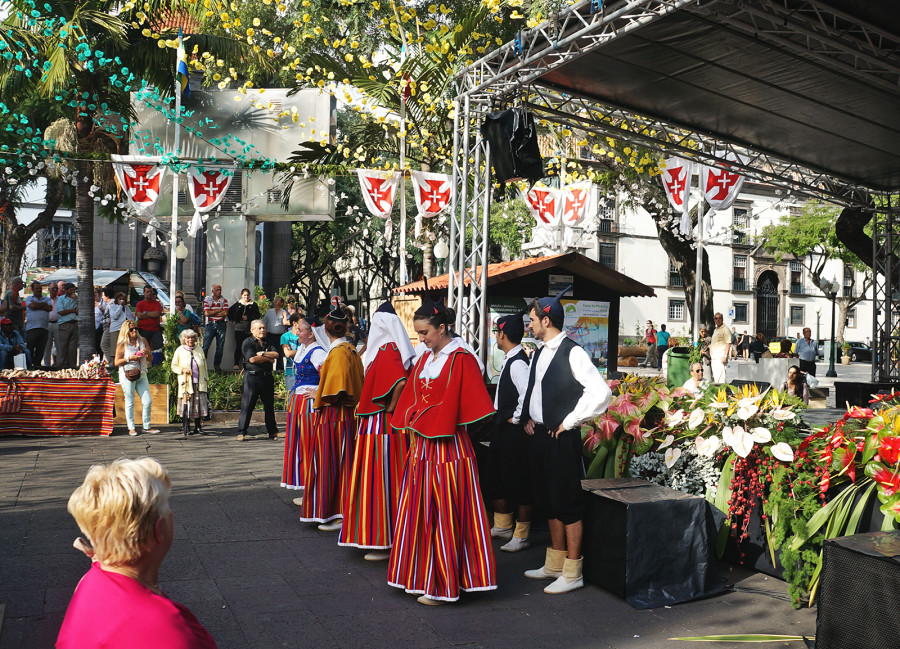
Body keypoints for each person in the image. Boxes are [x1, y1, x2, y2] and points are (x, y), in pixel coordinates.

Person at [388, 295, 497, 606]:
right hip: (423, 445)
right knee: (421, 511)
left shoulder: (462, 358)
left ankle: (445, 582)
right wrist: (410, 417)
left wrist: (424, 418)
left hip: (449, 448)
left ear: (442, 328)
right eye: (419, 333)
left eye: (425, 333)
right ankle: (421, 576)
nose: (421, 340)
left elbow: (460, 405)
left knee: (446, 512)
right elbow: (412, 396)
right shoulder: (426, 358)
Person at [56, 458, 217, 649]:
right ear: (158, 530)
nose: (172, 514)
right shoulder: (165, 629)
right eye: (168, 508)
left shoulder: (90, 579)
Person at [522, 287, 612, 595]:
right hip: (541, 437)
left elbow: (601, 392)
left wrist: (570, 421)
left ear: (546, 320)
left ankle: (573, 571)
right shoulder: (538, 352)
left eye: (531, 319)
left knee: (568, 504)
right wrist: (529, 417)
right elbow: (535, 391)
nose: (528, 325)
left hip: (561, 439)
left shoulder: (572, 351)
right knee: (548, 501)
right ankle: (555, 562)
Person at [339, 301, 414, 560]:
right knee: (374, 479)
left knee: (381, 480)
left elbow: (401, 381)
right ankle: (375, 535)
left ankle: (385, 538)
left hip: (382, 427)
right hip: (376, 425)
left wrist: (391, 408)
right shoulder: (382, 349)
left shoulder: (388, 348)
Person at [300, 304, 364, 531]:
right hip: (345, 416)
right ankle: (339, 511)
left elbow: (336, 390)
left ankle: (336, 512)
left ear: (326, 331)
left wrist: (319, 395)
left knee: (331, 464)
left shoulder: (338, 353)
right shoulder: (351, 350)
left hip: (334, 416)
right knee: (341, 463)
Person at [488, 312, 533, 553]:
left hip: (512, 432)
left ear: (503, 333)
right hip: (502, 429)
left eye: (497, 331)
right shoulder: (511, 358)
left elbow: (527, 394)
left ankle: (522, 533)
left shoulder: (517, 363)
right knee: (497, 476)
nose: (496, 335)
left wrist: (516, 418)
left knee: (518, 482)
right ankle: (503, 525)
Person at [282, 316, 326, 503]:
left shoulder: (317, 351)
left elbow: (327, 374)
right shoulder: (303, 348)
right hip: (299, 402)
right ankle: (307, 489)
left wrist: (318, 392)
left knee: (308, 444)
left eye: (300, 330)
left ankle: (312, 490)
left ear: (310, 333)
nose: (297, 332)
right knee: (299, 444)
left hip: (309, 404)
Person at [236, 319, 279, 441]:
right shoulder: (247, 342)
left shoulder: (268, 341)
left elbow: (276, 355)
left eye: (264, 328)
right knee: (247, 405)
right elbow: (252, 360)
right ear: (252, 330)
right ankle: (241, 432)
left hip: (267, 377)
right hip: (252, 378)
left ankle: (273, 431)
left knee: (269, 406)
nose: (262, 330)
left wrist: (263, 354)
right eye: (259, 328)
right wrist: (268, 358)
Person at [114, 321, 159, 437]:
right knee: (130, 401)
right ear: (126, 331)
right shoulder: (123, 344)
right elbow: (116, 362)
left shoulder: (142, 341)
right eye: (131, 329)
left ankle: (146, 426)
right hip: (127, 374)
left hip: (142, 372)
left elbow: (150, 359)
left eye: (136, 329)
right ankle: (131, 427)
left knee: (147, 400)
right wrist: (130, 358)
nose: (134, 331)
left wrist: (147, 353)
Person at [171, 329, 210, 438]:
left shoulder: (199, 349)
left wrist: (206, 378)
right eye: (188, 338)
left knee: (198, 404)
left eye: (192, 337)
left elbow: (204, 364)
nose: (190, 340)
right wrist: (183, 370)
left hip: (199, 381)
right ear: (184, 339)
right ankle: (186, 427)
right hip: (186, 383)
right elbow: (174, 366)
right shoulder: (179, 350)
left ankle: (198, 426)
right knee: (187, 404)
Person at [228, 288, 260, 371]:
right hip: (239, 329)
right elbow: (229, 312)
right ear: (242, 295)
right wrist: (233, 320)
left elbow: (257, 315)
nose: (246, 297)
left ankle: (247, 363)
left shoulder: (253, 304)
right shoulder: (238, 304)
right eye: (244, 295)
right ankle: (236, 364)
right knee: (238, 346)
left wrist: (248, 317)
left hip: (249, 329)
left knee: (249, 346)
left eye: (247, 295)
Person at [24, 281, 52, 368]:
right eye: (37, 288)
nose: (39, 290)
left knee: (41, 350)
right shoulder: (29, 298)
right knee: (30, 349)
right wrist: (43, 304)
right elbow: (32, 306)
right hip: (32, 328)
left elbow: (49, 308)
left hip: (44, 328)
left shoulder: (47, 299)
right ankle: (29, 366)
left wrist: (37, 304)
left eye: (40, 288)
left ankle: (37, 366)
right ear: (32, 289)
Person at [202, 284, 229, 372]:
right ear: (212, 291)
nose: (219, 291)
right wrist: (218, 310)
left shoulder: (224, 300)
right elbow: (206, 313)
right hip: (211, 324)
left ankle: (217, 365)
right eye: (217, 290)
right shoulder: (207, 300)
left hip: (221, 324)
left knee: (220, 346)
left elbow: (225, 313)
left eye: (220, 290)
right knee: (205, 346)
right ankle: (202, 364)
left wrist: (212, 312)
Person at [104, 292, 134, 370]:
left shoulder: (126, 308)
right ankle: (114, 365)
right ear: (116, 299)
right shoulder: (113, 306)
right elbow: (115, 316)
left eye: (123, 299)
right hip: (115, 329)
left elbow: (131, 317)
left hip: (124, 330)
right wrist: (120, 306)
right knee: (114, 347)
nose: (122, 301)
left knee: (122, 347)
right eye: (120, 299)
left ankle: (121, 364)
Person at [57, 282, 79, 369]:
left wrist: (76, 300)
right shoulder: (61, 299)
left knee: (73, 348)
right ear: (66, 290)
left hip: (74, 324)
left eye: (74, 290)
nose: (73, 292)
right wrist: (73, 310)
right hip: (64, 325)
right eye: (71, 290)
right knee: (63, 346)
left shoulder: (76, 299)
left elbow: (80, 310)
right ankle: (63, 366)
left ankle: (72, 366)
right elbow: (61, 312)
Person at [263, 296, 288, 371]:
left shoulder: (284, 312)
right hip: (270, 335)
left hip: (280, 335)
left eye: (278, 300)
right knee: (270, 352)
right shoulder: (269, 312)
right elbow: (264, 322)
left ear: (281, 303)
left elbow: (285, 324)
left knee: (280, 353)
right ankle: (269, 369)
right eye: (275, 300)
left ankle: (279, 370)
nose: (275, 301)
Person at [135, 286, 164, 350]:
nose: (149, 293)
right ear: (144, 293)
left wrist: (145, 312)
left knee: (159, 348)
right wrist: (151, 314)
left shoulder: (157, 304)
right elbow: (139, 315)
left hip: (155, 330)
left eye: (151, 292)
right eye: (147, 292)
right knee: (143, 348)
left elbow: (157, 314)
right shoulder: (140, 304)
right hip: (143, 330)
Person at [708, 313, 731, 383]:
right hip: (714, 358)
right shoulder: (715, 330)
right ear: (714, 320)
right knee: (716, 378)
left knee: (720, 379)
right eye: (716, 318)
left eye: (719, 318)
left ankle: (721, 393)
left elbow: (728, 343)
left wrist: (725, 356)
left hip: (720, 358)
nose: (718, 320)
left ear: (722, 319)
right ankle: (718, 393)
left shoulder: (725, 329)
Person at [42, 283, 60, 367]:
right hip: (47, 324)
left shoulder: (60, 299)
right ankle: (47, 365)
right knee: (47, 347)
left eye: (56, 288)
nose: (55, 290)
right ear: (49, 289)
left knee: (59, 346)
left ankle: (58, 365)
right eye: (53, 288)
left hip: (57, 323)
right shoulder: (45, 300)